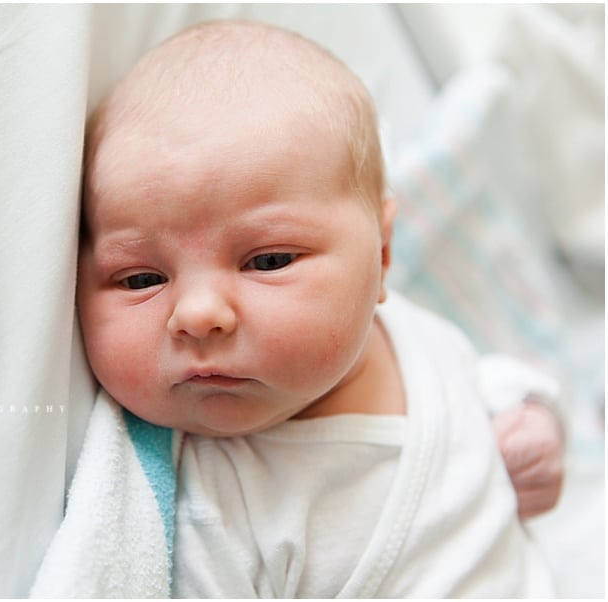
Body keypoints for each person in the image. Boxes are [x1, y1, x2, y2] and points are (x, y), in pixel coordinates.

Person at [76, 19, 562, 597]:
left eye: (269, 260)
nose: (198, 315)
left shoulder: (405, 332)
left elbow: (474, 376)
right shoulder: (216, 507)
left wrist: (529, 419)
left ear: (381, 254)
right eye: (142, 279)